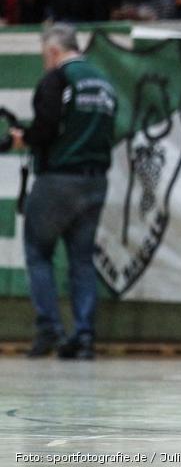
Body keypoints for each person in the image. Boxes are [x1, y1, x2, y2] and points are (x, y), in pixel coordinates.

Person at [10, 23, 117, 360]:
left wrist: (22, 139)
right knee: (82, 260)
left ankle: (50, 329)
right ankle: (84, 336)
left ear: (54, 51)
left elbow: (45, 128)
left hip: (57, 179)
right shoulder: (104, 83)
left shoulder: (58, 79)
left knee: (38, 252)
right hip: (95, 181)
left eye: (45, 56)